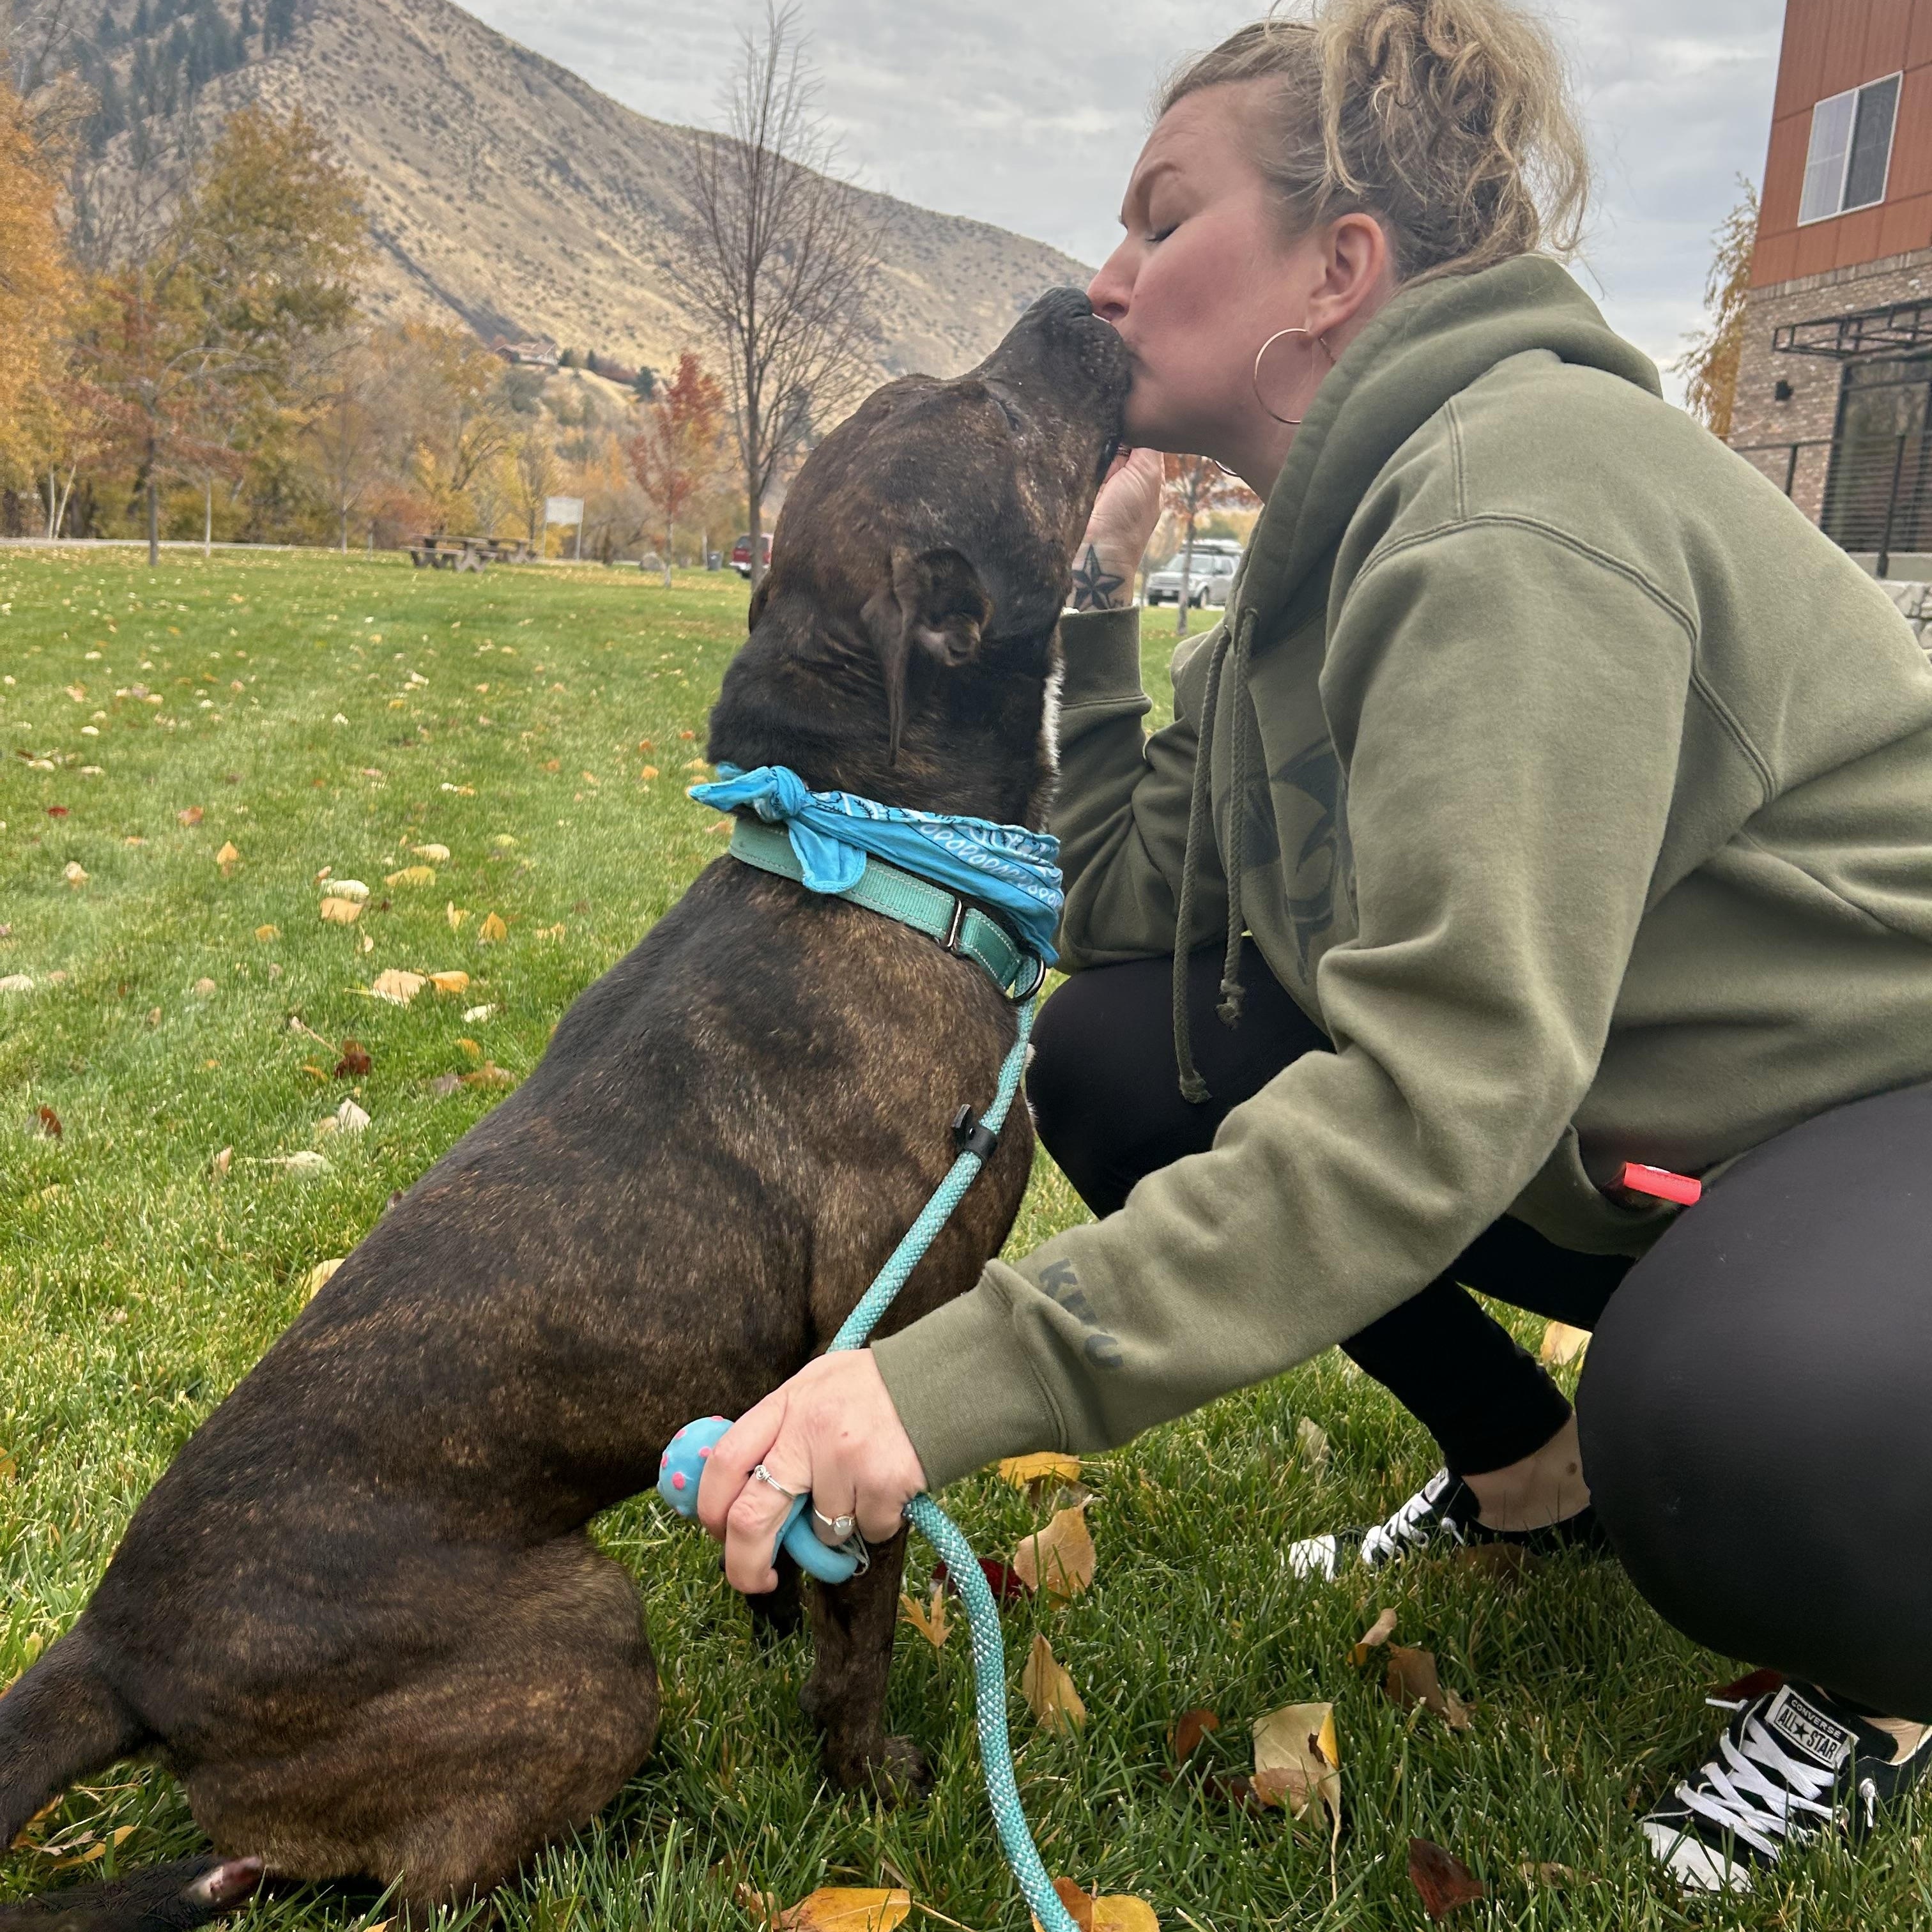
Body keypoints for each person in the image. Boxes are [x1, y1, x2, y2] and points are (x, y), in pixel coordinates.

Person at [699, 0, 1932, 1892]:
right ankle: (1528, 1479)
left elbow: (1443, 1091)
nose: (1107, 281)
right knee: (1124, 1055)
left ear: (1336, 270)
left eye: (1162, 218)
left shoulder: (1515, 508)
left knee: (1714, 1414)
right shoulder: (1315, 563)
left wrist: (937, 1388)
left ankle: (1889, 1669)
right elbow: (1118, 907)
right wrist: (1105, 597)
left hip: (1880, 1133)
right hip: (1641, 1140)